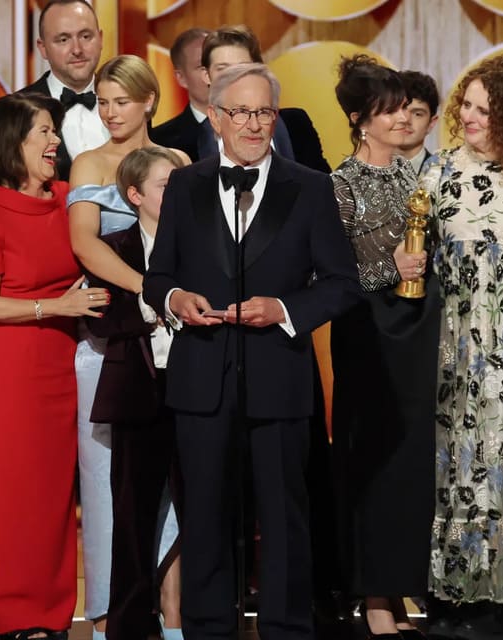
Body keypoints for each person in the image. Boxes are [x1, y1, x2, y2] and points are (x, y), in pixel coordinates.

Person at [142, 63, 361, 640]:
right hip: (201, 377)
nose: (254, 123)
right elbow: (156, 274)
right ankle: (208, 628)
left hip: (278, 376)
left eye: (263, 111)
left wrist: (285, 310)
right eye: (240, 111)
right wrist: (175, 297)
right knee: (206, 516)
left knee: (285, 519)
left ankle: (288, 627)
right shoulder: (185, 185)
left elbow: (341, 282)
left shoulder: (311, 186)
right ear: (215, 117)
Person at [0, 92, 107, 640]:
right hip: (10, 363)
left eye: (54, 132)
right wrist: (56, 306)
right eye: (42, 133)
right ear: (11, 143)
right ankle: (8, 614)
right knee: (11, 493)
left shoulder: (69, 198)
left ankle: (49, 615)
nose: (54, 143)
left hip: (61, 359)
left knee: (53, 495)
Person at [417, 54, 503, 640]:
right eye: (464, 104)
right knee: (459, 461)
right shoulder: (436, 174)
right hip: (456, 346)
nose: (467, 116)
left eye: (483, 108)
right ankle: (456, 590)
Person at [66, 53, 190, 640]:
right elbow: (87, 249)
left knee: (179, 482)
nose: (111, 112)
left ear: (148, 101)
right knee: (110, 483)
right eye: (103, 102)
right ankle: (109, 615)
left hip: (181, 345)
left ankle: (176, 614)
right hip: (114, 339)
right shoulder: (89, 162)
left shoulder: (180, 163)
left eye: (121, 100)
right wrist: (150, 289)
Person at [327, 55, 436, 640]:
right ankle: (373, 594)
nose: (401, 119)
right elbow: (330, 275)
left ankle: (404, 584)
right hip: (369, 337)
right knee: (371, 457)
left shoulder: (416, 179)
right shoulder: (337, 186)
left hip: (421, 335)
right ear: (358, 119)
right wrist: (385, 269)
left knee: (413, 464)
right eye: (388, 110)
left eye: (405, 108)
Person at [193, 25, 331, 172]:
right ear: (206, 76)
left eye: (244, 68)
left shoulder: (295, 125)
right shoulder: (184, 141)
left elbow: (323, 185)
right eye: (223, 69)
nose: (234, 78)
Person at [22, 0, 109, 181]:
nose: (77, 50)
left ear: (100, 39)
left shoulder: (132, 102)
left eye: (86, 37)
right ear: (43, 48)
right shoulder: (13, 111)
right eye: (63, 40)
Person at [152, 27, 212, 161]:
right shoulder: (159, 143)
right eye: (202, 67)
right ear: (181, 78)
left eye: (217, 64)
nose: (212, 73)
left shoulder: (252, 126)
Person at [396, 70, 440, 176]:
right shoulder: (361, 172)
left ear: (431, 123)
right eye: (400, 110)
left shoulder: (444, 175)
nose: (406, 120)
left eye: (417, 114)